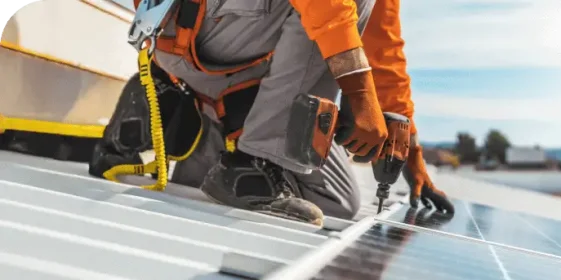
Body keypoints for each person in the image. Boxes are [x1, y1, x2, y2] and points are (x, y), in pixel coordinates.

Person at [90, 0, 453, 227]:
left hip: (232, 56)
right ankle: (256, 163)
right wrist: (359, 94)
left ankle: (176, 110)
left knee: (337, 201)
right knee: (342, 6)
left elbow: (383, 46)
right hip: (188, 25)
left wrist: (410, 152)